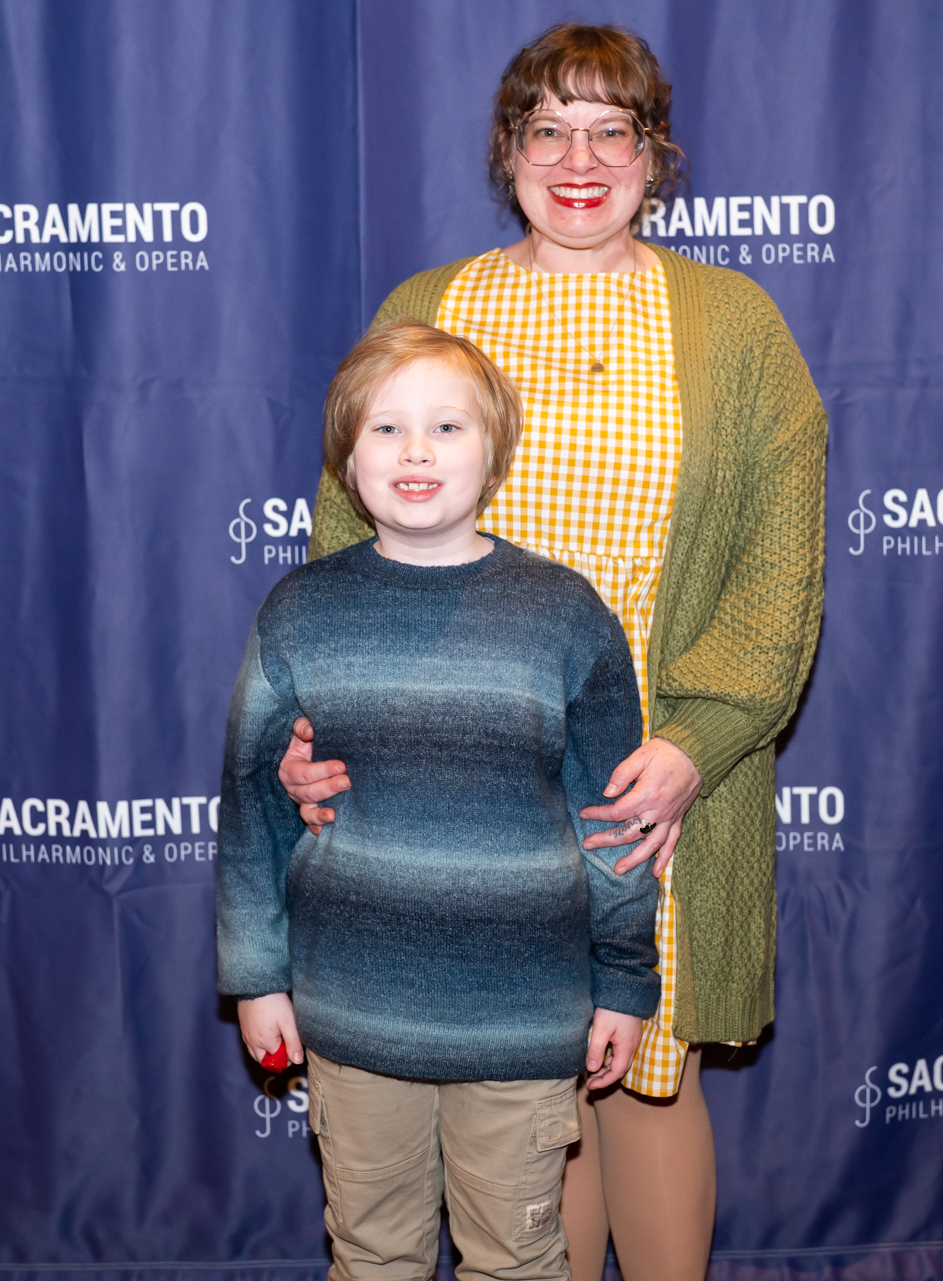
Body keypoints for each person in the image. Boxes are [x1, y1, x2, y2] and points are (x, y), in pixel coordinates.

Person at [279, 24, 827, 1281]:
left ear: (655, 153)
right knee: (530, 1090)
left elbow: (779, 572)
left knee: (646, 1073)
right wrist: (319, 734)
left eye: (610, 132)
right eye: (549, 131)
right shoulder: (430, 310)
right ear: (508, 150)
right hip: (457, 782)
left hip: (652, 783)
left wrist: (693, 748)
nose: (580, 162)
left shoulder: (735, 328)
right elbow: (342, 545)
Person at [217, 320, 662, 1281]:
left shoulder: (565, 613)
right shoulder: (300, 611)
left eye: (447, 427)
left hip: (523, 1018)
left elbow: (613, 823)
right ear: (347, 460)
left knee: (519, 1259)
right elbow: (253, 807)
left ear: (494, 452)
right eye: (386, 429)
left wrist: (625, 980)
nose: (415, 452)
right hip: (354, 1012)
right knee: (374, 1254)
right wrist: (256, 976)